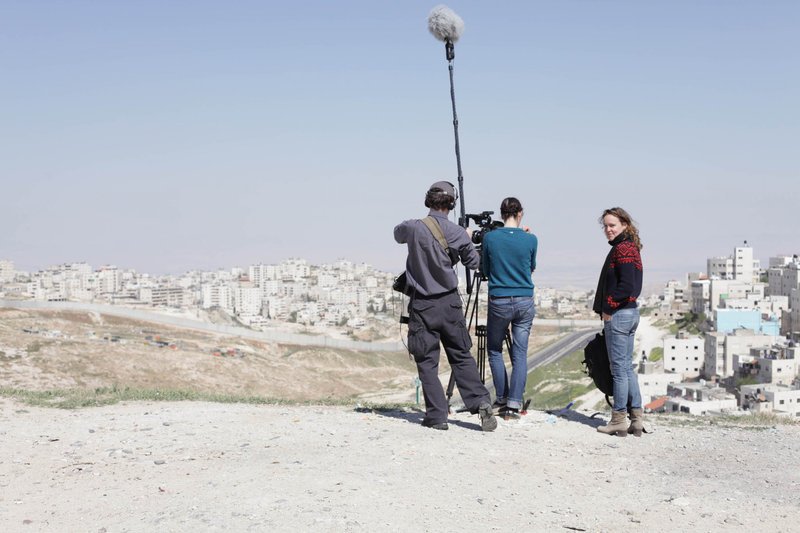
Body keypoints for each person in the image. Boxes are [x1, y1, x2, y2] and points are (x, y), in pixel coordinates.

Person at [394, 181, 497, 432]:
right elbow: (474, 263)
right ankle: (482, 404)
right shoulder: (457, 232)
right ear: (452, 204)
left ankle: (437, 416)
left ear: (428, 201)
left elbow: (397, 233)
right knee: (461, 356)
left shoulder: (413, 227)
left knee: (427, 361)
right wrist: (468, 239)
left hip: (422, 305)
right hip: (450, 304)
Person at [481, 197, 538, 418]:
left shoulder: (490, 238)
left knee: (495, 349)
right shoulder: (531, 239)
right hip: (524, 299)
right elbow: (531, 267)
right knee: (520, 353)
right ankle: (514, 403)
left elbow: (485, 268)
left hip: (499, 299)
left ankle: (502, 398)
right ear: (520, 213)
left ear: (501, 214)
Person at [593, 207, 644, 437]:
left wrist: (608, 307)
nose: (608, 230)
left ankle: (618, 419)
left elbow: (628, 286)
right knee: (627, 368)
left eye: (612, 225)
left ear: (624, 224)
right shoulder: (630, 247)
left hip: (619, 315)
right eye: (605, 226)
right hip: (630, 313)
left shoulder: (623, 249)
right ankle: (636, 419)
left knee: (619, 371)